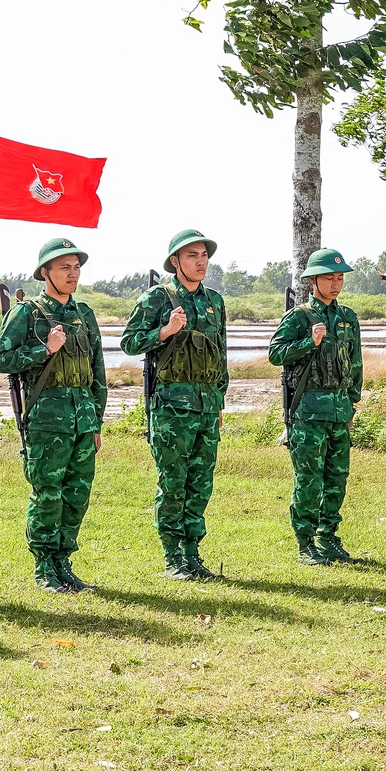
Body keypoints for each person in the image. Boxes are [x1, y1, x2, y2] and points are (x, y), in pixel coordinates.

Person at [0, 237, 108, 593]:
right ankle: (45, 567)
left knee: (77, 495)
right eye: (64, 267)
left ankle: (64, 562)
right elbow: (3, 360)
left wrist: (96, 421)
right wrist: (43, 350)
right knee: (47, 493)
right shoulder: (26, 313)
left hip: (82, 419)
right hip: (46, 419)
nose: (72, 274)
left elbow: (97, 371)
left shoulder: (84, 314)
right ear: (45, 272)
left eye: (76, 267)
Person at [120, 227, 228, 579]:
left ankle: (193, 553)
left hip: (207, 407)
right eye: (192, 256)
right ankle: (172, 557)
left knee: (200, 483)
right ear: (174, 261)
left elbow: (220, 354)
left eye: (204, 255)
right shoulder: (157, 299)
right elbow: (130, 343)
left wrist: (220, 402)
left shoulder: (215, 301)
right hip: (170, 409)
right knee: (173, 482)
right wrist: (164, 332)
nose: (200, 262)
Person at [269, 247, 367, 565]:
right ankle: (306, 544)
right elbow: (275, 354)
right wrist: (307, 342)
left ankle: (329, 539)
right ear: (313, 280)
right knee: (309, 479)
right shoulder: (299, 317)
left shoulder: (348, 318)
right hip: (308, 411)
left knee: (337, 478)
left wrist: (352, 403)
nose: (336, 283)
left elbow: (355, 364)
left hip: (339, 411)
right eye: (329, 277)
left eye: (339, 277)